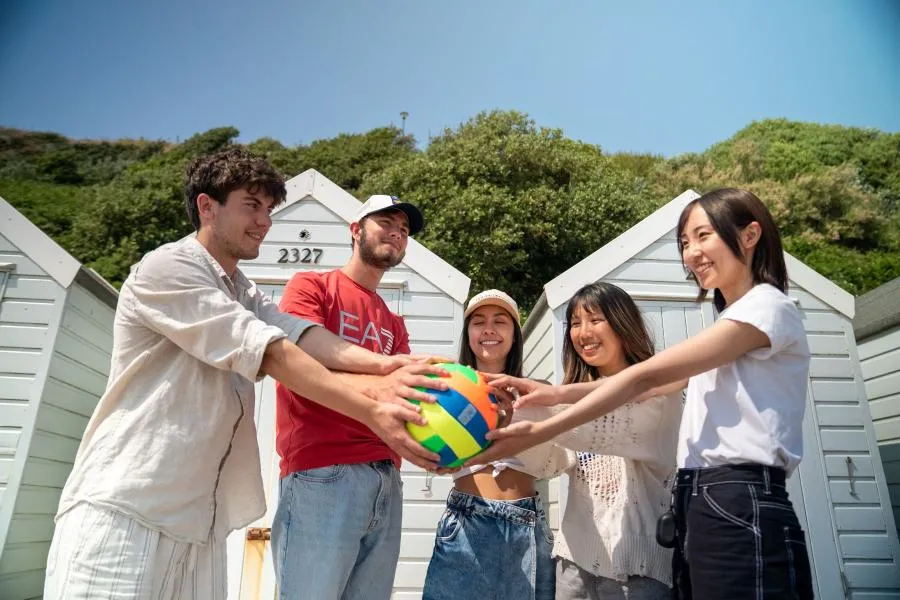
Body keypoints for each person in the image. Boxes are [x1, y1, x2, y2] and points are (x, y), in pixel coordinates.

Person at [43, 149, 440, 600]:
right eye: (251, 205)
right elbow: (271, 351)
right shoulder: (170, 267)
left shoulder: (244, 291)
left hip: (202, 522)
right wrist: (373, 409)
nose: (264, 221)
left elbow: (301, 335)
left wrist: (388, 364)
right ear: (207, 207)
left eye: (268, 209)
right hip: (129, 506)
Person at [478, 188, 815, 599]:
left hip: (736, 494)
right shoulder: (730, 323)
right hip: (702, 500)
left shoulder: (767, 308)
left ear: (750, 235)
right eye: (685, 242)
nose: (691, 253)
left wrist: (542, 420)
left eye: (703, 235)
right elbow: (642, 385)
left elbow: (644, 382)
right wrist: (550, 394)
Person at [272, 194, 453, 599]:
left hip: (386, 477)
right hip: (323, 470)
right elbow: (299, 360)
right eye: (386, 223)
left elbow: (406, 396)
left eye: (404, 230)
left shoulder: (394, 323)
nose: (397, 233)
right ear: (355, 230)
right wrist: (384, 369)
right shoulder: (312, 286)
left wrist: (441, 440)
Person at [502, 282, 681, 599]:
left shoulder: (660, 393)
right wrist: (510, 424)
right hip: (573, 564)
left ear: (623, 323)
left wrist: (534, 411)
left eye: (596, 320)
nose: (583, 333)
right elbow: (550, 464)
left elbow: (604, 427)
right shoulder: (572, 397)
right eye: (575, 323)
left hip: (639, 571)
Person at [422, 289, 568, 600]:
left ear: (515, 336)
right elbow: (432, 452)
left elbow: (559, 457)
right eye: (479, 322)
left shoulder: (538, 392)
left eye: (500, 321)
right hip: (467, 520)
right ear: (468, 335)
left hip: (528, 523)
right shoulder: (447, 389)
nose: (488, 329)